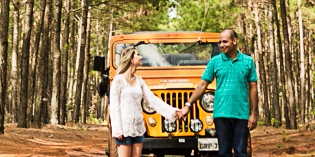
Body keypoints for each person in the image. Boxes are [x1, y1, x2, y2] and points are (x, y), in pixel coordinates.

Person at [176, 29, 258, 157]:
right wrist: (188, 104)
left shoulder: (248, 61)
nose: (221, 45)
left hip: (241, 114)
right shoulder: (215, 61)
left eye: (225, 42)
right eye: (220, 42)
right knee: (224, 152)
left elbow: (253, 88)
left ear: (234, 41)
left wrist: (253, 114)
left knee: (241, 152)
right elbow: (202, 84)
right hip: (221, 113)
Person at [109, 46, 179, 157]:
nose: (141, 57)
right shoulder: (118, 80)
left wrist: (173, 112)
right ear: (131, 59)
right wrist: (117, 130)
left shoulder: (139, 80)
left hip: (138, 128)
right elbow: (114, 106)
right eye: (137, 55)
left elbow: (153, 100)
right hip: (124, 129)